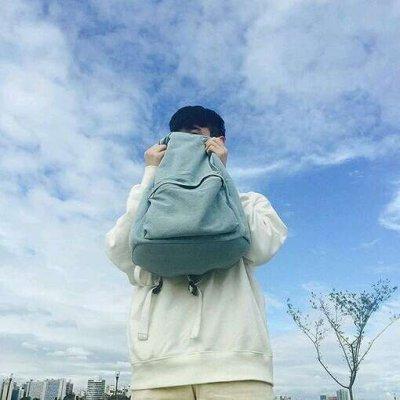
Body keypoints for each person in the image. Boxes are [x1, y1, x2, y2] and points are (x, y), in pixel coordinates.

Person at [104, 105, 288, 400]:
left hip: (236, 364)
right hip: (158, 364)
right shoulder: (150, 204)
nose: (183, 143)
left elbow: (261, 248)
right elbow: (121, 251)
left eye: (194, 134)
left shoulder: (250, 201)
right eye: (176, 137)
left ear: (218, 142)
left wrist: (220, 176)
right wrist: (150, 175)